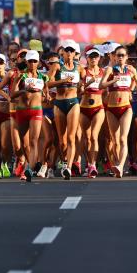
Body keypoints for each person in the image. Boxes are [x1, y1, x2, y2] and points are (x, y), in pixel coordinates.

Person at [101, 45, 137, 178]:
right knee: (115, 140)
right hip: (112, 108)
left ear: (127, 57)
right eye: (118, 55)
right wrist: (113, 80)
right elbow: (101, 85)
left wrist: (136, 92)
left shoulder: (131, 69)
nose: (120, 58)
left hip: (125, 108)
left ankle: (121, 165)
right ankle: (117, 163)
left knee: (123, 138)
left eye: (122, 55)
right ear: (114, 57)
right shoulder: (110, 69)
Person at [10, 50, 50, 182]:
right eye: (30, 61)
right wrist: (24, 90)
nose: (32, 63)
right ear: (26, 62)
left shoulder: (43, 77)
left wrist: (46, 97)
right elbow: (12, 95)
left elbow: (46, 94)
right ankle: (30, 164)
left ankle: (29, 170)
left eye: (35, 61)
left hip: (36, 111)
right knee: (24, 143)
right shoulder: (21, 76)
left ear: (38, 63)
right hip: (22, 111)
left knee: (34, 141)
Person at [48, 40, 84, 179]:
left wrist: (82, 87)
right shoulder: (57, 66)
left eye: (71, 51)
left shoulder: (79, 67)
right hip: (59, 102)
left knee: (71, 137)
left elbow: (83, 85)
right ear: (62, 52)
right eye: (66, 50)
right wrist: (62, 81)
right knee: (62, 140)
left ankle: (68, 167)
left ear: (75, 54)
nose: (69, 53)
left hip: (73, 102)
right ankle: (64, 162)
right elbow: (48, 82)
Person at [80, 47, 106, 178]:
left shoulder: (104, 72)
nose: (93, 59)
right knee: (86, 138)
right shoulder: (83, 72)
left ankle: (93, 165)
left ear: (99, 58)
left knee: (94, 136)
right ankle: (88, 163)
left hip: (98, 107)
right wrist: (86, 84)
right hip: (83, 108)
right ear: (87, 58)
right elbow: (79, 91)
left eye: (96, 56)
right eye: (91, 57)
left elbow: (109, 89)